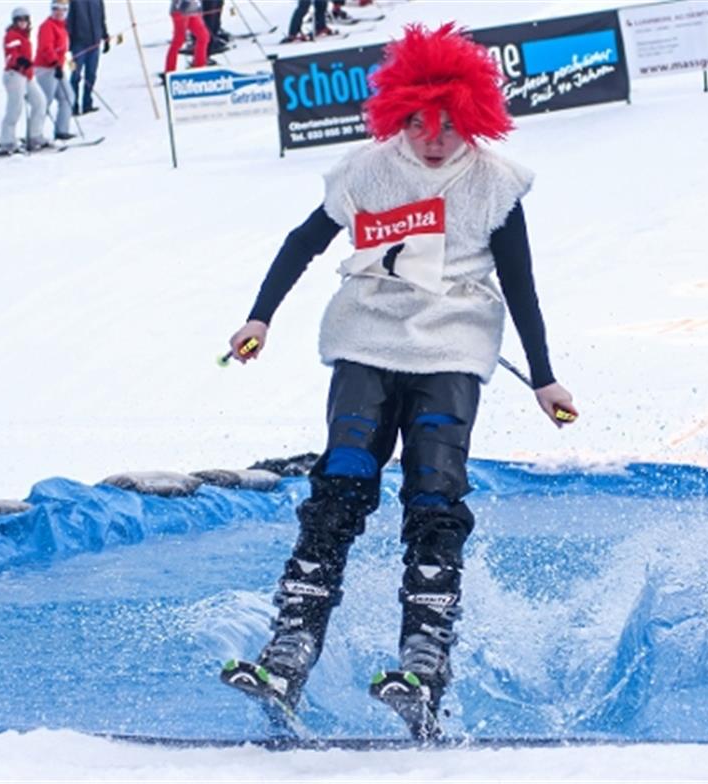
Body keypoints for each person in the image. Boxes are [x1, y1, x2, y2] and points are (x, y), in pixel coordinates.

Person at [219, 24, 577, 738]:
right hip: (366, 337)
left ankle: (424, 662)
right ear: (399, 115)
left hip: (451, 349)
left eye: (448, 123)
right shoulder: (368, 170)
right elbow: (304, 241)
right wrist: (258, 318)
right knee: (342, 482)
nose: (434, 137)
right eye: (419, 121)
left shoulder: (492, 183)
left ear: (470, 115)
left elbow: (521, 283)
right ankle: (289, 647)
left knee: (434, 494)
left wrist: (544, 377)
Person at [0, 7, 48, 155]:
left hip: (26, 76)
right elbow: (10, 55)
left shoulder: (25, 35)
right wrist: (19, 60)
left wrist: (27, 66)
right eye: (19, 20)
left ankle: (35, 136)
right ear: (14, 21)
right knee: (15, 109)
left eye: (25, 19)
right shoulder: (11, 35)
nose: (22, 22)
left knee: (40, 102)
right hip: (14, 75)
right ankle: (7, 142)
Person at [34, 1, 75, 141]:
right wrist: (55, 63)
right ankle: (34, 134)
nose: (59, 12)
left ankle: (61, 131)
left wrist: (60, 64)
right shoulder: (47, 26)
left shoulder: (62, 26)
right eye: (56, 9)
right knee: (44, 101)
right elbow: (46, 48)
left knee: (68, 97)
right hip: (45, 68)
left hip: (57, 68)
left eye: (63, 9)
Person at [66, 0, 108, 116]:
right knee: (76, 75)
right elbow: (69, 21)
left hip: (95, 42)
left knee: (91, 74)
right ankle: (73, 105)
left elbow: (101, 19)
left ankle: (87, 103)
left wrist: (105, 36)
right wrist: (69, 43)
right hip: (79, 44)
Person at [165, 0, 209, 74]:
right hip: (181, 9)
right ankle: (169, 71)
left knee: (203, 36)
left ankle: (200, 66)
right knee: (179, 40)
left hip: (193, 9)